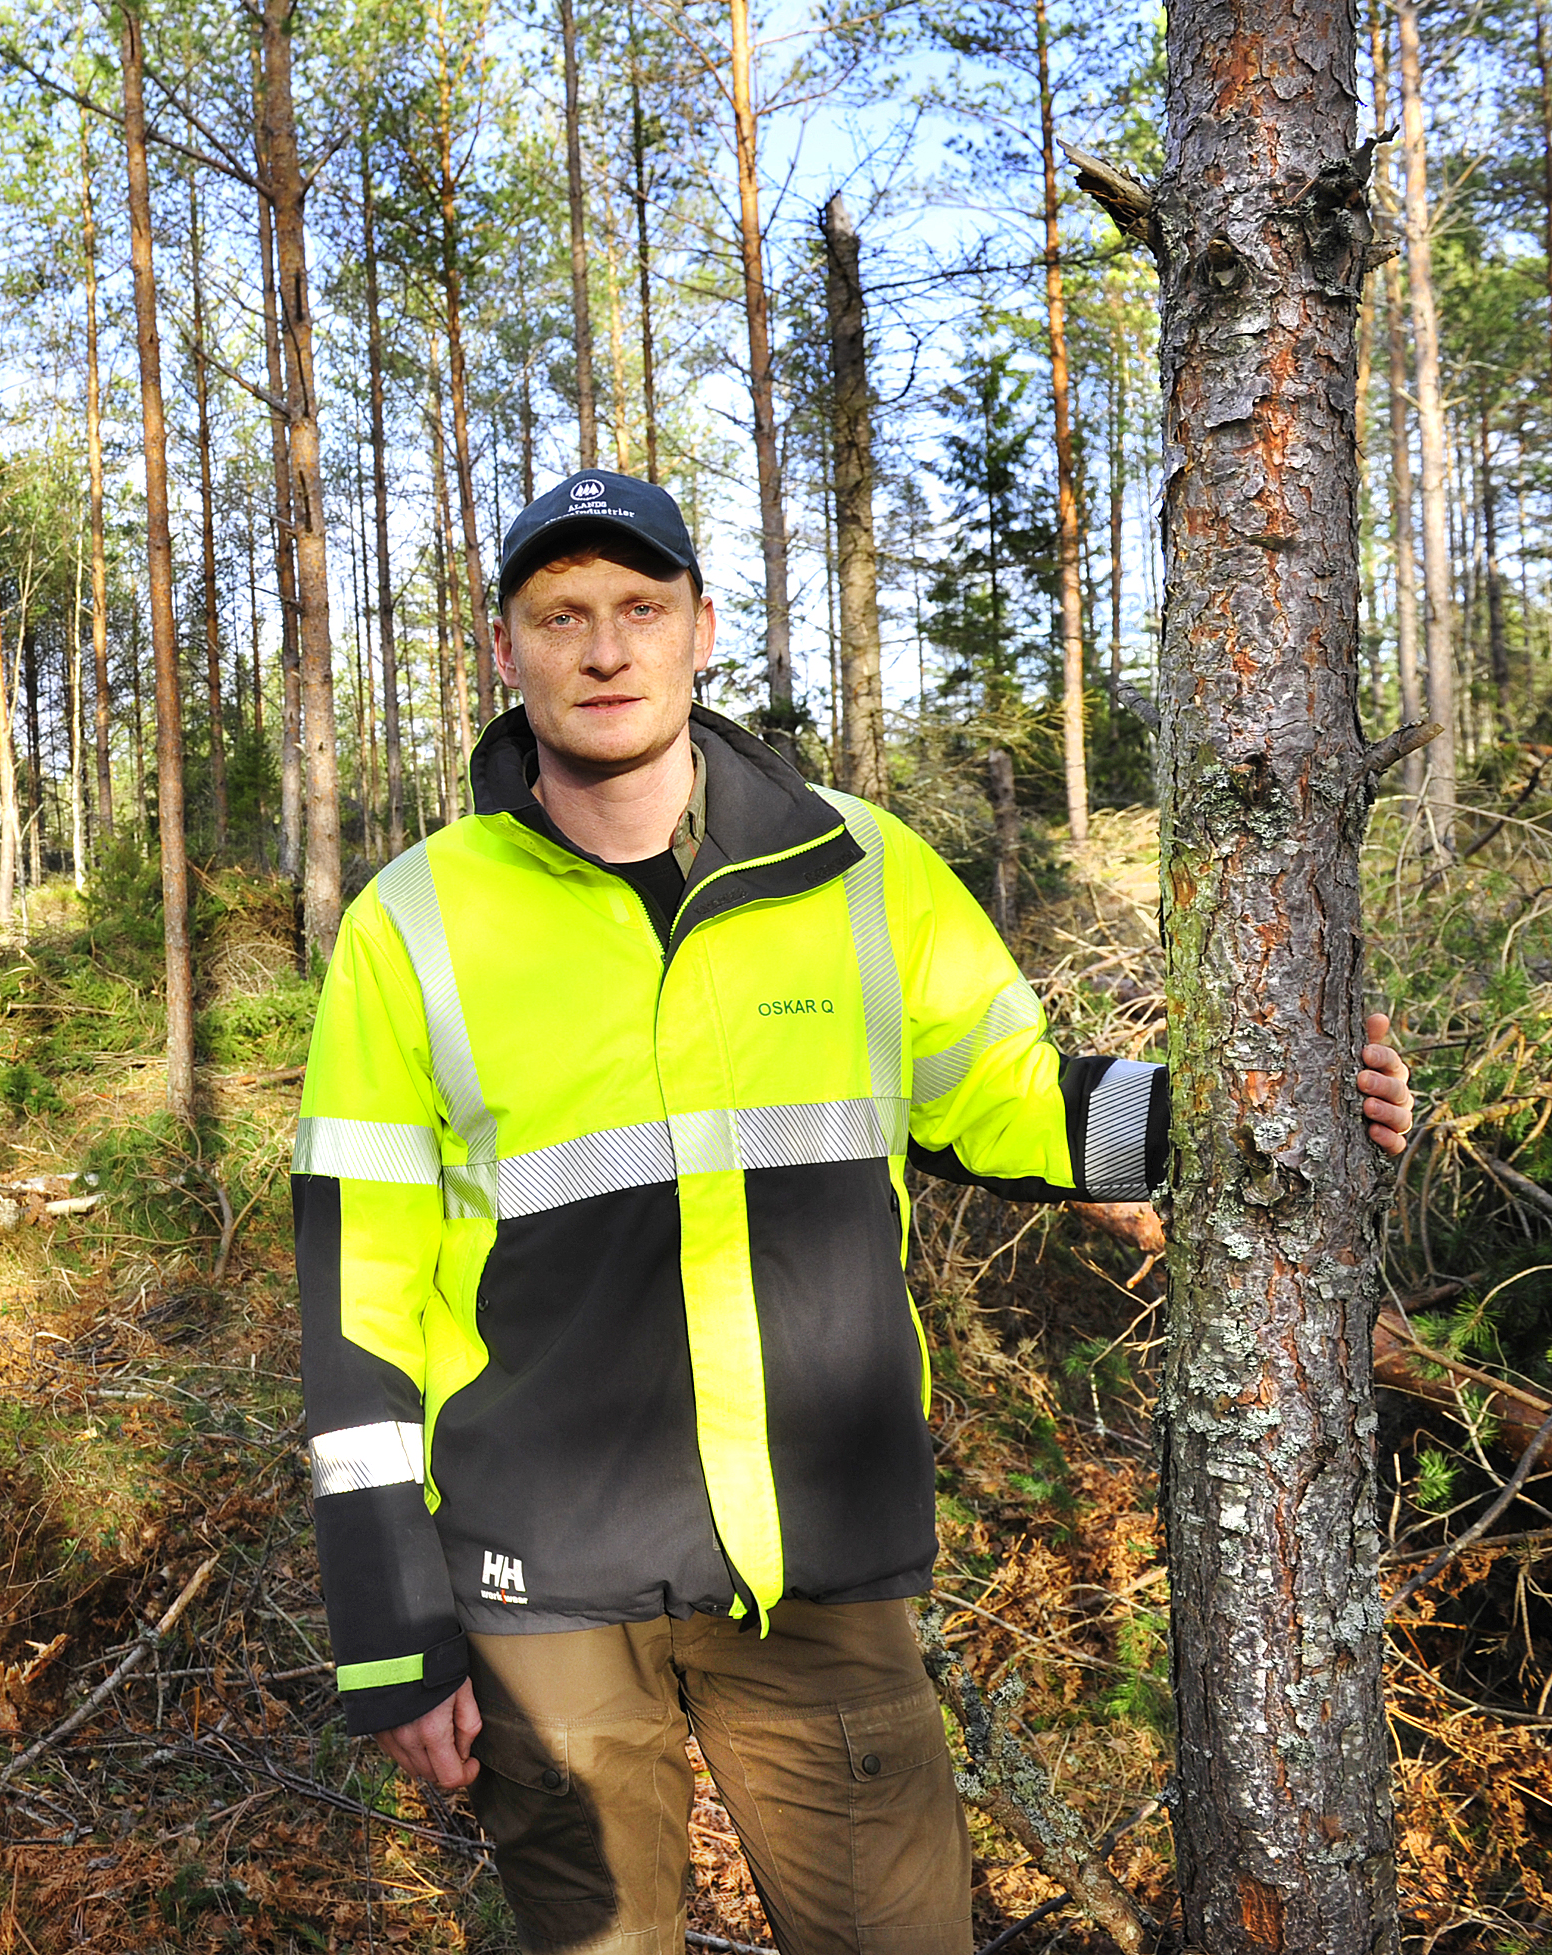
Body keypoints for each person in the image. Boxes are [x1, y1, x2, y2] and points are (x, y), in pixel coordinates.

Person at [292, 468, 1415, 1955]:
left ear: (701, 628)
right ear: (504, 653)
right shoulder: (411, 926)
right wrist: (386, 1629)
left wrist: (1257, 1113)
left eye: (638, 609)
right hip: (535, 1578)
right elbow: (356, 1293)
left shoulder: (857, 866)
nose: (605, 649)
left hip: (818, 1556)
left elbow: (1002, 1098)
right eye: (560, 616)